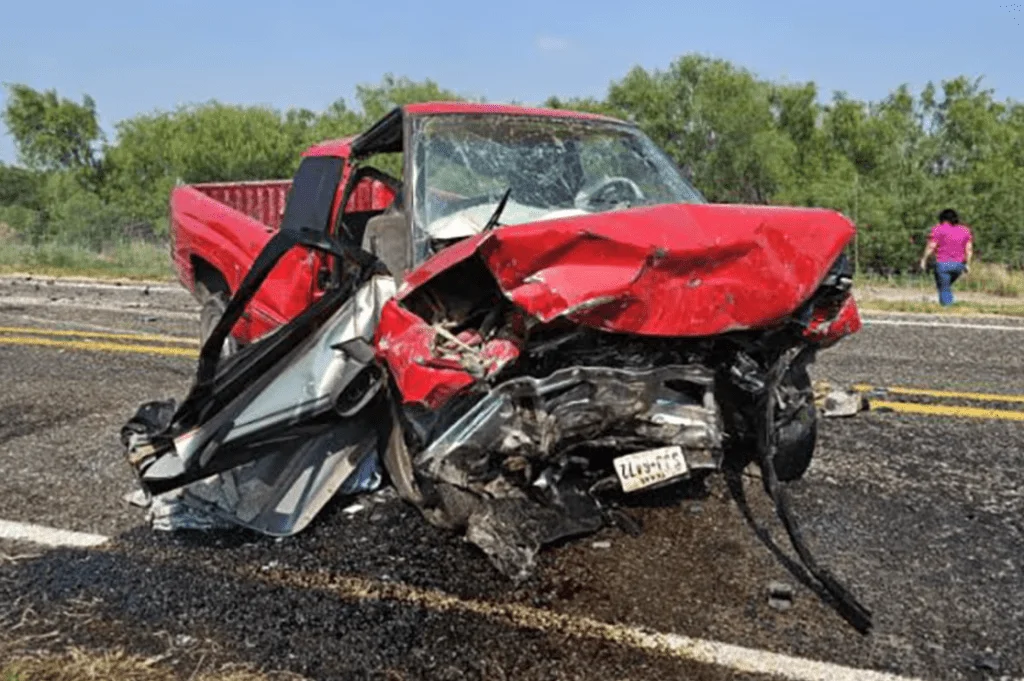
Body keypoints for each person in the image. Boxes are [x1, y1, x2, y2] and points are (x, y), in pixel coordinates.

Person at [919, 208, 973, 306]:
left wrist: (924, 259)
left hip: (943, 264)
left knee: (944, 287)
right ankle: (948, 302)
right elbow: (968, 250)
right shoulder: (965, 230)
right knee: (945, 286)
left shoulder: (938, 229)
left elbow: (931, 246)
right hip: (958, 265)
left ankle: (948, 307)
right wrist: (968, 264)